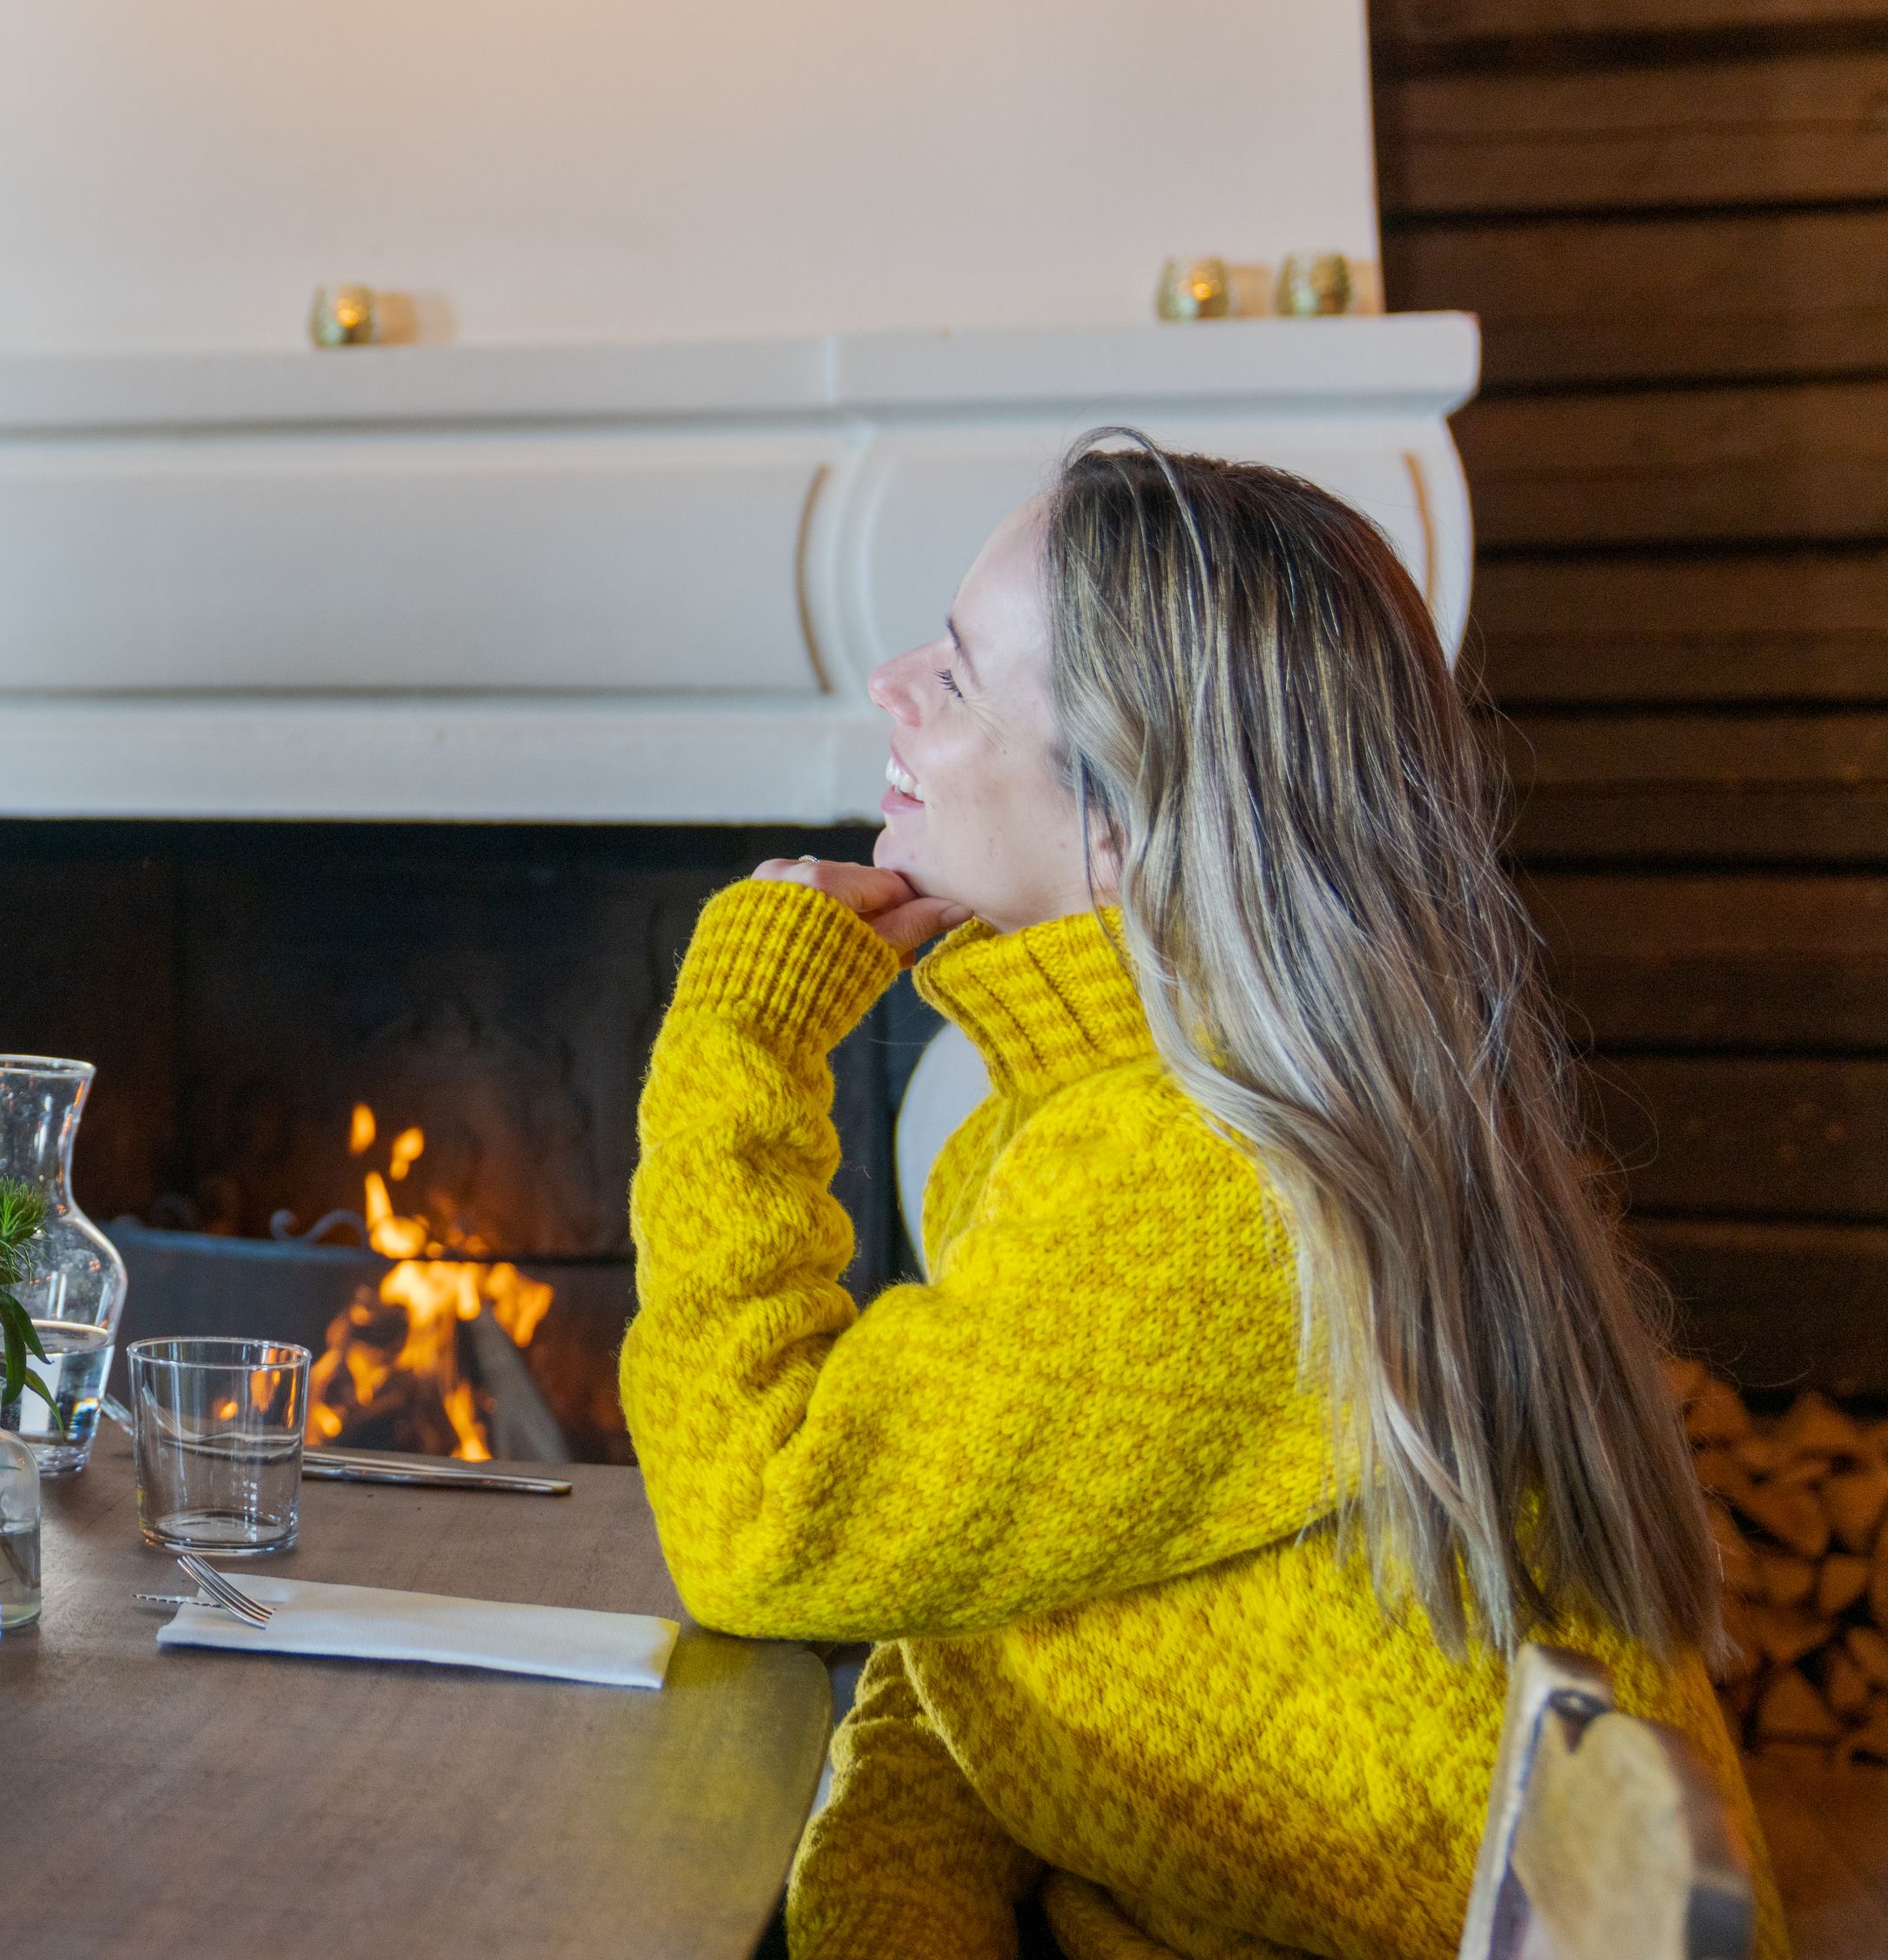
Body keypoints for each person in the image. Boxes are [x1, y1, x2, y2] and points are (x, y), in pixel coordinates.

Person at [619, 436, 1786, 1957]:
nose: (893, 683)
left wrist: (745, 1030)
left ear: (1131, 817)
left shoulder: (1194, 1183)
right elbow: (969, 1620)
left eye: (961, 677)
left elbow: (760, 1520)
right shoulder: (1108, 1121)